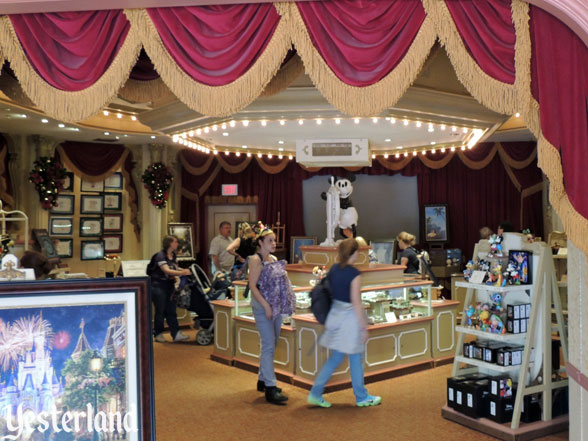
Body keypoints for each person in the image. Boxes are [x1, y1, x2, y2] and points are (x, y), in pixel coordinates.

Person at [307, 238, 382, 408]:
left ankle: (315, 392)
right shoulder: (354, 274)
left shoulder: (334, 269)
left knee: (336, 358)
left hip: (336, 316)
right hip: (349, 320)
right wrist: (364, 327)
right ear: (354, 253)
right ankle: (361, 396)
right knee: (355, 358)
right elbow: (356, 302)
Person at [248, 228, 295, 404]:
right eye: (269, 240)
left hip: (275, 308)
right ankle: (270, 387)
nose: (273, 243)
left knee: (272, 343)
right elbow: (252, 286)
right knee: (268, 345)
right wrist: (266, 306)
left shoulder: (274, 259)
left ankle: (262, 380)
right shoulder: (256, 260)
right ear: (260, 242)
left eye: (274, 240)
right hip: (263, 308)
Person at [150, 235, 191, 343]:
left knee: (171, 309)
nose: (177, 244)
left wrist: (184, 270)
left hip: (169, 285)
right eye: (175, 242)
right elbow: (166, 270)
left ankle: (176, 333)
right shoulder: (160, 256)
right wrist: (182, 273)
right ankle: (158, 333)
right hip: (158, 286)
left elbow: (174, 268)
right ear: (169, 243)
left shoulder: (173, 255)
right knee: (160, 310)